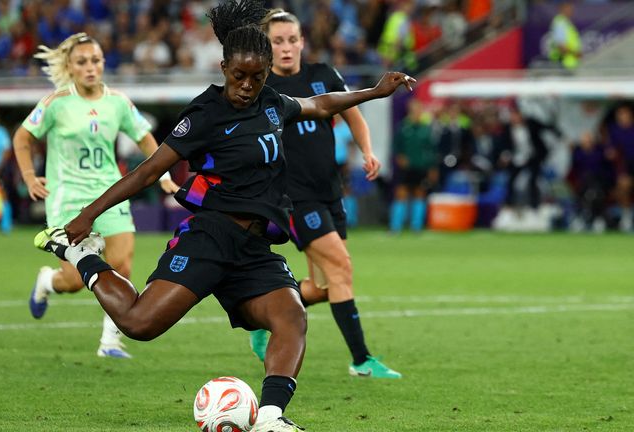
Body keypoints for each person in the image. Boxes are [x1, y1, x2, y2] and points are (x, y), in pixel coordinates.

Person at [34, 1, 414, 430]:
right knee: (140, 323)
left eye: (257, 76)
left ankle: (270, 417)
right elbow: (148, 171)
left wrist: (375, 91)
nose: (248, 86)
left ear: (268, 71)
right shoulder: (204, 114)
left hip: (254, 248)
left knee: (291, 317)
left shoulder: (272, 103)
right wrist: (89, 213)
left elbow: (321, 104)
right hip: (210, 237)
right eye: (239, 76)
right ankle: (81, 255)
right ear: (223, 66)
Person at [246, 8, 401, 380]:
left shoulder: (323, 75)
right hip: (294, 198)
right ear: (267, 47)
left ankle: (257, 318)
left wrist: (367, 150)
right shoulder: (263, 89)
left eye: (291, 40)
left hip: (330, 190)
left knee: (323, 285)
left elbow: (354, 116)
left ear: (302, 42)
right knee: (341, 267)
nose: (285, 48)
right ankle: (362, 359)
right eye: (277, 41)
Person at [12, 32, 179, 359]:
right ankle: (48, 281)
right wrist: (30, 177)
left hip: (110, 192)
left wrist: (165, 176)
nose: (90, 67)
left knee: (121, 264)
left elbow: (146, 139)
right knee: (75, 280)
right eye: (82, 62)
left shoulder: (117, 101)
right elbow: (21, 138)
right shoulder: (56, 103)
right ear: (70, 67)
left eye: (96, 61)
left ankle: (110, 342)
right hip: (68, 199)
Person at [390, 99, 437, 232]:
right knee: (401, 194)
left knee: (419, 193)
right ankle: (396, 226)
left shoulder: (425, 128)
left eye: (419, 110)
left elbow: (431, 149)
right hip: (406, 168)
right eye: (414, 110)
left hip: (421, 166)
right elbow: (396, 147)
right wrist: (400, 158)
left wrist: (432, 168)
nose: (416, 113)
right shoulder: (403, 127)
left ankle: (416, 227)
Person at [548, 2, 582, 70]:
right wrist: (575, 53)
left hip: (568, 64)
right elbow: (561, 46)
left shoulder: (565, 22)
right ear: (562, 9)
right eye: (569, 8)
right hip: (563, 64)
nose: (571, 10)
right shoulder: (560, 23)